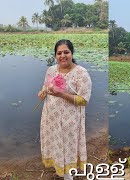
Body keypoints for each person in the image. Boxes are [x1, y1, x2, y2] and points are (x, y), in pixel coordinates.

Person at [38, 39, 92, 179]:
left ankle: (68, 175)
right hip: (51, 117)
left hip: (70, 121)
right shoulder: (51, 70)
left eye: (66, 52)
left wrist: (61, 94)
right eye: (59, 53)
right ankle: (59, 169)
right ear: (55, 55)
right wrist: (43, 91)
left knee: (68, 147)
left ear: (72, 53)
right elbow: (46, 85)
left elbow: (83, 100)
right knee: (55, 143)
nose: (63, 56)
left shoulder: (81, 73)